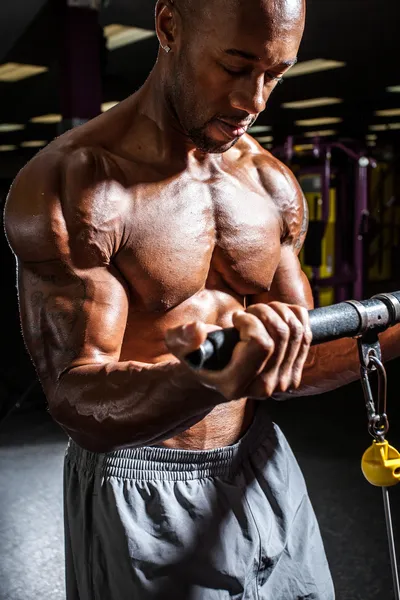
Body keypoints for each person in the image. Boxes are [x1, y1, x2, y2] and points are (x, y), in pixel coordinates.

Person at [4, 0, 400, 598]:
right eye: (236, 67)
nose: (256, 100)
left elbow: (296, 357)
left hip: (262, 461)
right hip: (144, 485)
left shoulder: (269, 183)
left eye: (275, 74)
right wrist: (205, 379)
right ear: (168, 27)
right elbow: (73, 397)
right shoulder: (74, 185)